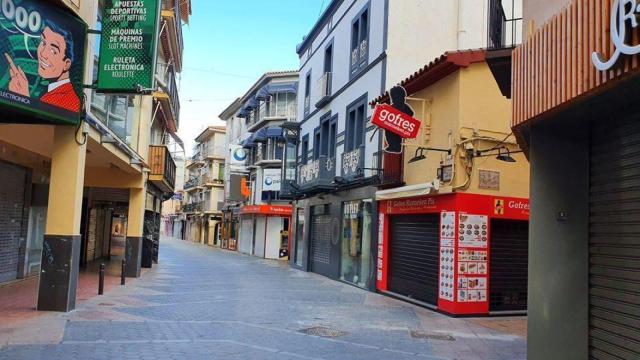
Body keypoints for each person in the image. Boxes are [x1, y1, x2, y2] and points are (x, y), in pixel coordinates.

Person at [5, 22, 80, 112]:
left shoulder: (67, 101)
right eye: (43, 42)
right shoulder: (55, 93)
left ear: (66, 64)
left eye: (53, 51)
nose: (43, 54)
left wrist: (24, 99)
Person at [384, 86, 415, 154]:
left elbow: (411, 113)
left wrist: (404, 119)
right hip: (392, 126)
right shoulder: (391, 107)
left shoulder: (404, 106)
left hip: (399, 127)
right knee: (389, 133)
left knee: (397, 137)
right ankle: (391, 146)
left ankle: (396, 147)